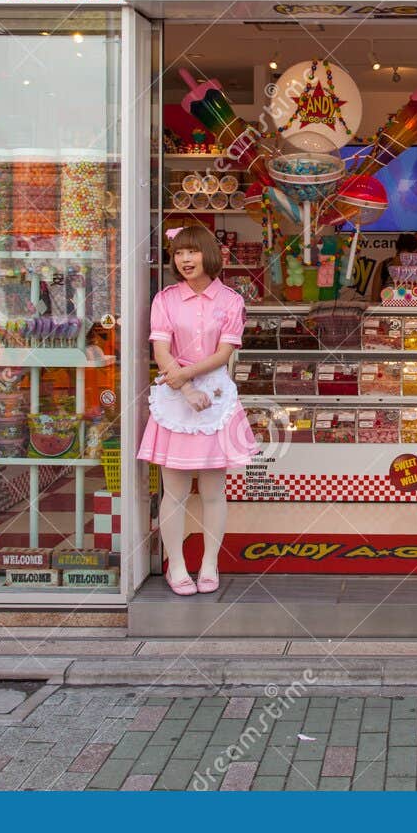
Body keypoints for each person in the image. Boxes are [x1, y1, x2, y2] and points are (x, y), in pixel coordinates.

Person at [138, 224, 257, 596]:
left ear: (209, 253)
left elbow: (224, 354)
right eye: (179, 253)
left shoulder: (231, 300)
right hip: (175, 397)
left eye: (192, 252)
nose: (185, 260)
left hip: (216, 395)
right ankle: (176, 564)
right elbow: (160, 350)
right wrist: (185, 387)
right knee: (172, 490)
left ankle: (209, 564)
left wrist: (188, 377)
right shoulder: (166, 299)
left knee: (212, 490)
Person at [368, 232, 417, 302]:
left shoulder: (384, 265)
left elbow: (374, 299)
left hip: (387, 311)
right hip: (413, 310)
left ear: (397, 247)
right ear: (415, 250)